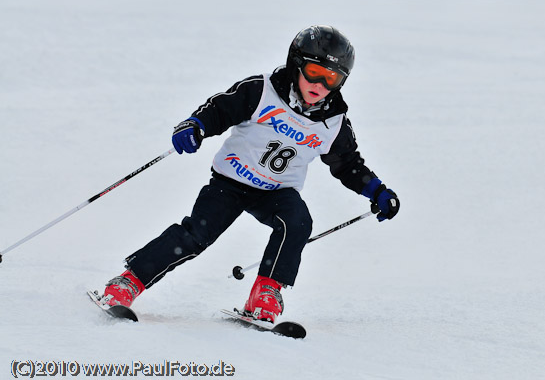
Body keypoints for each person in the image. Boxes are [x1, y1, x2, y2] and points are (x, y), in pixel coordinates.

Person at [100, 25, 400, 323]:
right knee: (195, 236)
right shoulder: (263, 90)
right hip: (230, 183)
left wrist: (377, 190)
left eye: (331, 78)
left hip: (276, 192)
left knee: (297, 222)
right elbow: (220, 109)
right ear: (296, 63)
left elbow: (347, 164)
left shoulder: (333, 122)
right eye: (313, 72)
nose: (320, 84)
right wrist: (196, 126)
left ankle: (265, 293)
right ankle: (128, 282)